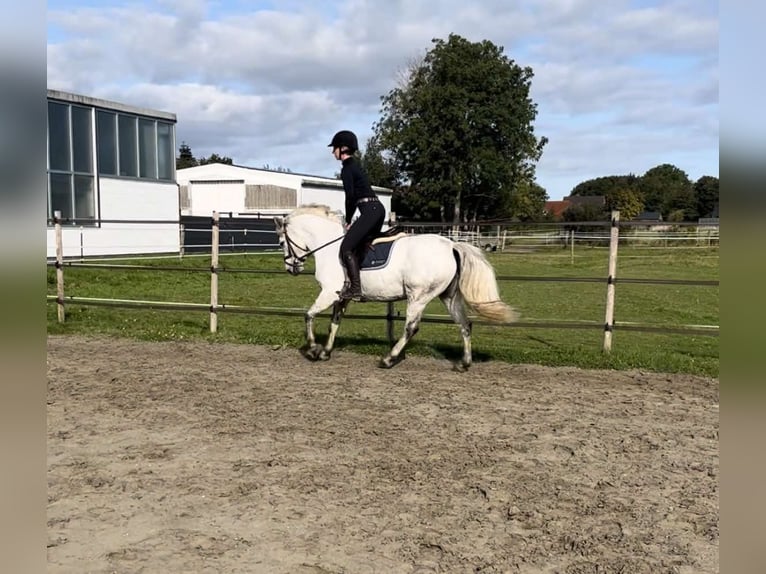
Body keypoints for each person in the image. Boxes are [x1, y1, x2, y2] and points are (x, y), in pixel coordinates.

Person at [328, 130, 385, 300]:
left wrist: (348, 219)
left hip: (368, 211)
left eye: (335, 148)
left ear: (343, 148)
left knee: (346, 248)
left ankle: (355, 288)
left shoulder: (347, 170)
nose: (333, 152)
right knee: (361, 245)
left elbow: (350, 197)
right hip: (377, 210)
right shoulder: (356, 166)